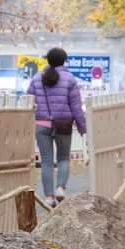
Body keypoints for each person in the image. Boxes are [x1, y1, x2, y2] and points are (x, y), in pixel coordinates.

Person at [27, 47, 87, 207]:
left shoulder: (36, 79)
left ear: (47, 60)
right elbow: (76, 107)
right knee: (63, 158)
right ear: (64, 61)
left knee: (46, 161)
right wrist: (82, 128)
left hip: (41, 124)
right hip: (63, 124)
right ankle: (60, 187)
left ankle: (48, 197)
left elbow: (28, 102)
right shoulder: (69, 79)